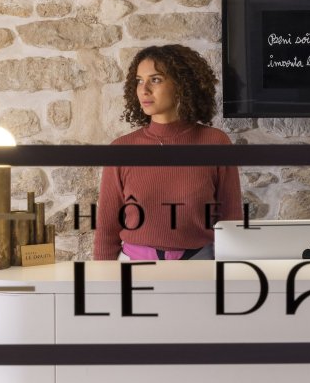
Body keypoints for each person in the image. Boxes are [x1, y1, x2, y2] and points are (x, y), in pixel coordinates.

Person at [93, 44, 243, 261]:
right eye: (139, 81)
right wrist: (101, 277)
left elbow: (230, 219)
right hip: (134, 267)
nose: (144, 90)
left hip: (199, 265)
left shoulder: (215, 143)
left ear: (181, 84)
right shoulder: (121, 150)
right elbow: (107, 228)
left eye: (155, 79)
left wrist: (233, 272)